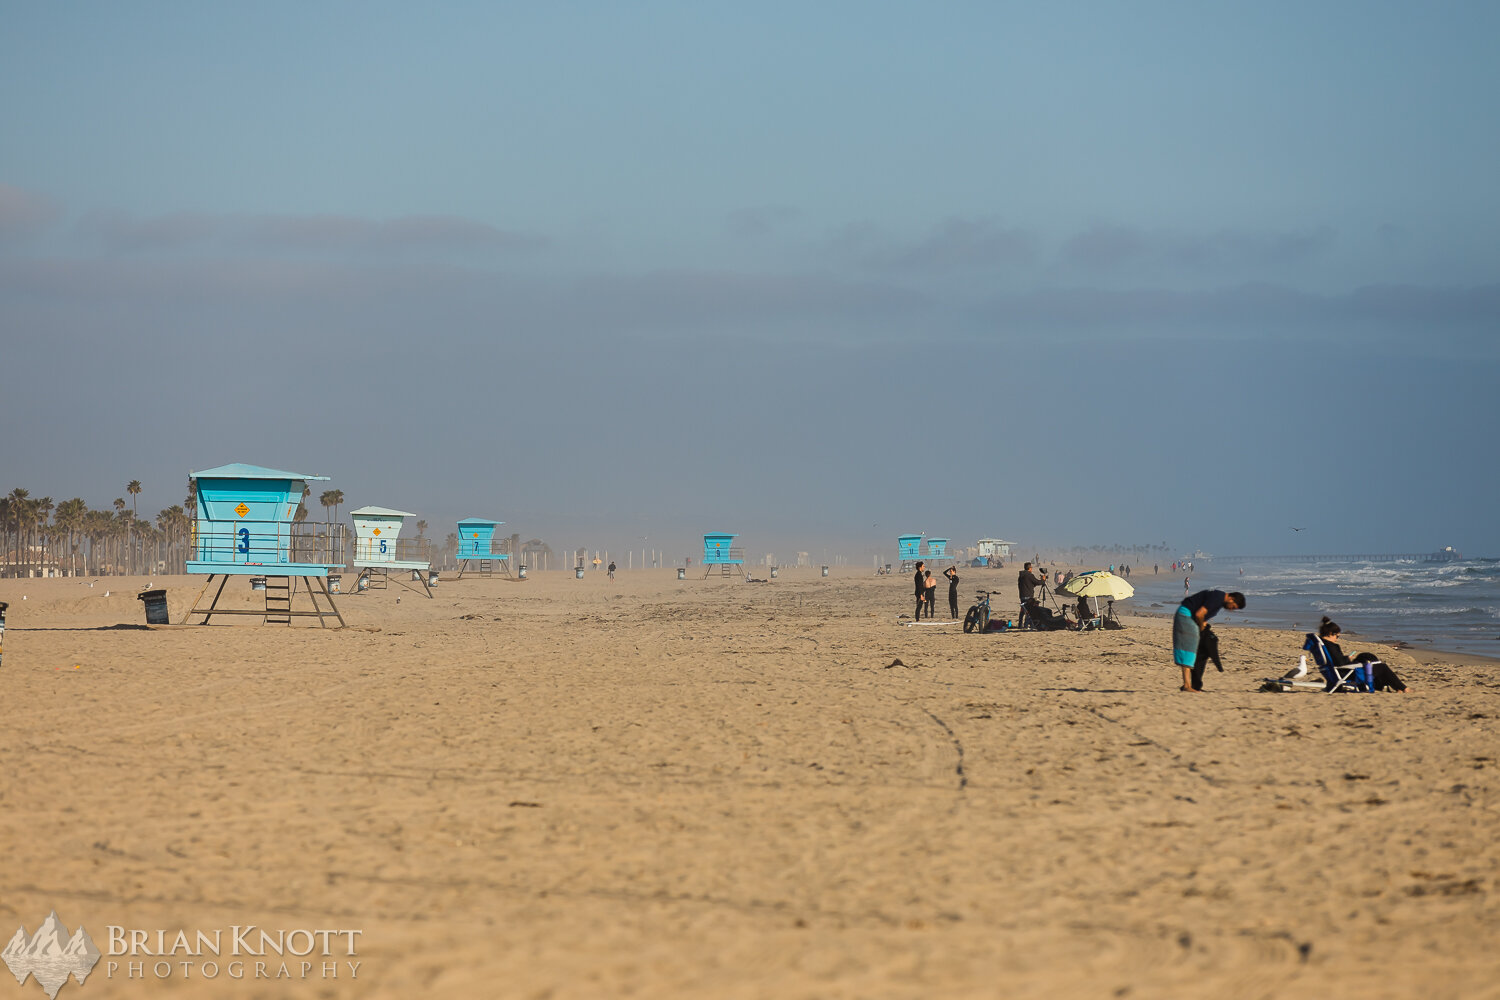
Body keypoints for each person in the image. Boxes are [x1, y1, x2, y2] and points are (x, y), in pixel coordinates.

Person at [1173, 589, 1245, 692]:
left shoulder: (1218, 599)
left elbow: (1202, 615)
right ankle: (1187, 685)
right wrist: (1202, 628)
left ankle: (1189, 684)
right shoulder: (1217, 598)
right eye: (1233, 607)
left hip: (1187, 615)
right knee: (1188, 649)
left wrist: (1204, 627)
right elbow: (1199, 614)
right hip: (1186, 615)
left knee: (1191, 650)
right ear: (1231, 599)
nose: (1231, 610)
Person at [1313, 618, 1408, 692]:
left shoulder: (1323, 645)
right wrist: (1348, 658)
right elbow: (1339, 662)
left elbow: (1335, 661)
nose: (1337, 639)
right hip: (1346, 672)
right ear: (1330, 634)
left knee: (1366, 656)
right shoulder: (1331, 646)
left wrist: (1346, 659)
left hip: (1340, 670)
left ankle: (1381, 684)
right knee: (1381, 666)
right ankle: (1403, 688)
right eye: (1337, 636)